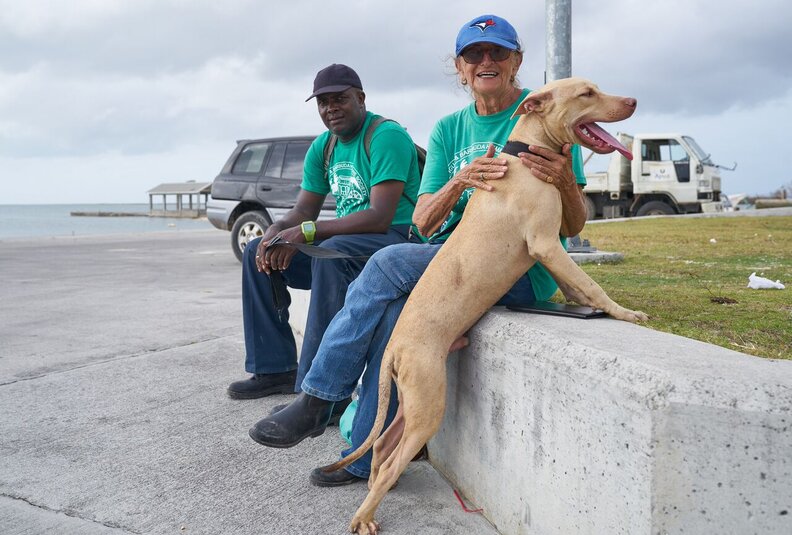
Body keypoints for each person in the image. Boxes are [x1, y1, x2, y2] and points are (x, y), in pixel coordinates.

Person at [247, 14, 588, 486]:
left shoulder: (541, 117)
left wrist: (567, 182)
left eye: (498, 53)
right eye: (474, 54)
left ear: (516, 62)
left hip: (515, 270)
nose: (486, 61)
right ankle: (364, 458)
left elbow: (573, 225)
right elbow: (425, 220)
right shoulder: (449, 129)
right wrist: (461, 180)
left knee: (388, 260)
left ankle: (319, 399)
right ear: (461, 68)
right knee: (393, 318)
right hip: (452, 262)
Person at [226, 63, 422, 411]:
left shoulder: (385, 136)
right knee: (259, 249)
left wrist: (307, 232)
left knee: (330, 253)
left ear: (360, 98)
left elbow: (380, 216)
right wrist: (277, 230)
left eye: (340, 99)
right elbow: (304, 210)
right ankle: (274, 368)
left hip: (396, 242)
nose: (331, 108)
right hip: (353, 243)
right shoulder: (324, 147)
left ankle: (318, 396)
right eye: (323, 102)